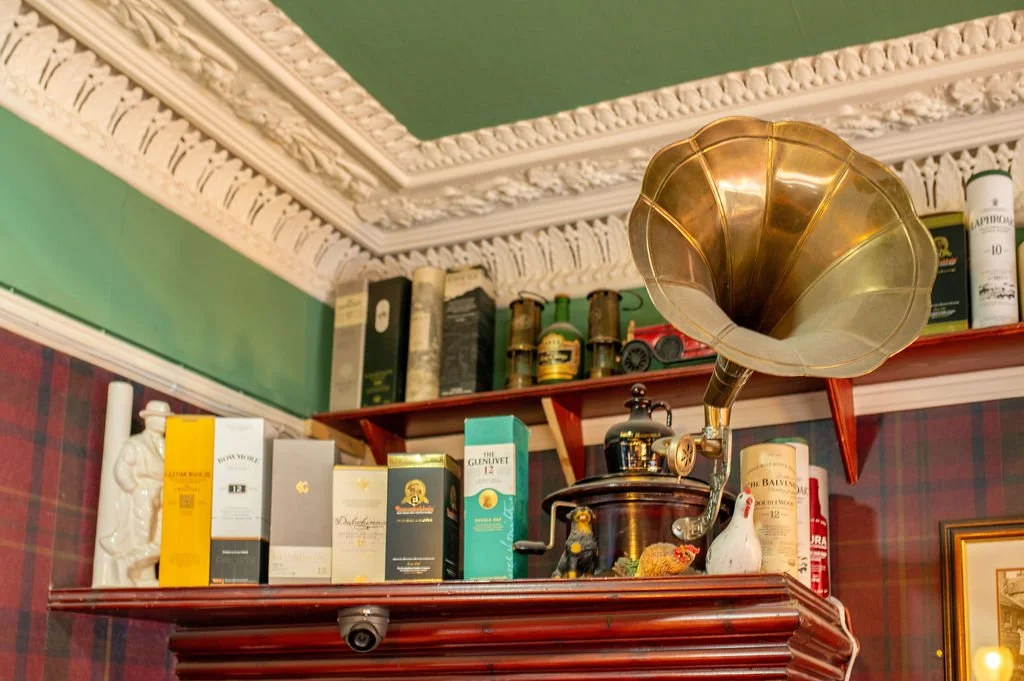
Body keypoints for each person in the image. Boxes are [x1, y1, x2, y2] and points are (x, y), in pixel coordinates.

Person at [98, 401, 170, 586]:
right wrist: (136, 490)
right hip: (143, 495)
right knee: (142, 537)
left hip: (163, 497)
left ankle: (131, 565)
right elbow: (121, 469)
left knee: (161, 541)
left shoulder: (169, 447)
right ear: (148, 419)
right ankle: (133, 572)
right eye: (160, 417)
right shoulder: (136, 444)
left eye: (166, 418)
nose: (164, 422)